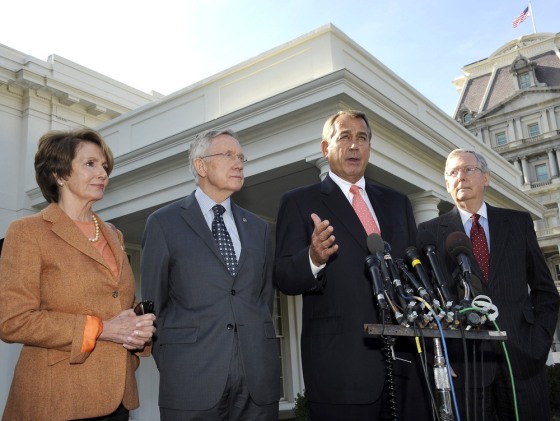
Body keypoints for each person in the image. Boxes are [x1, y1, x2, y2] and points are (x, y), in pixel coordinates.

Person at [274, 110, 432, 420]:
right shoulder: (299, 202)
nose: (354, 146)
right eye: (344, 137)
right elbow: (283, 276)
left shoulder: (397, 203)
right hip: (341, 370)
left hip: (405, 367)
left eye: (362, 138)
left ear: (370, 148)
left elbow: (417, 278)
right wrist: (313, 258)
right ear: (325, 148)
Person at [0, 129, 156, 421]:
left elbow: (118, 305)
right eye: (90, 164)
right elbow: (12, 320)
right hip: (57, 400)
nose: (103, 174)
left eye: (105, 166)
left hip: (118, 399)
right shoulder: (27, 231)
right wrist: (102, 329)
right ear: (59, 174)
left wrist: (138, 330)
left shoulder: (114, 234)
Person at [141, 128, 280, 420]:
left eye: (241, 156)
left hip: (256, 382)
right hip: (190, 381)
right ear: (201, 165)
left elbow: (263, 299)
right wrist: (173, 361)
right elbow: (154, 305)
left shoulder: (259, 228)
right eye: (228, 154)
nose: (239, 162)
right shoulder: (163, 223)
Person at [418, 148, 560, 420]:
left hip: (522, 360)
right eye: (452, 173)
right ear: (446, 184)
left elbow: (545, 291)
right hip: (466, 366)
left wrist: (539, 342)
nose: (460, 177)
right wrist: (441, 357)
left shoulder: (518, 223)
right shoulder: (430, 232)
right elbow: (428, 304)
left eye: (468, 169)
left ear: (486, 178)